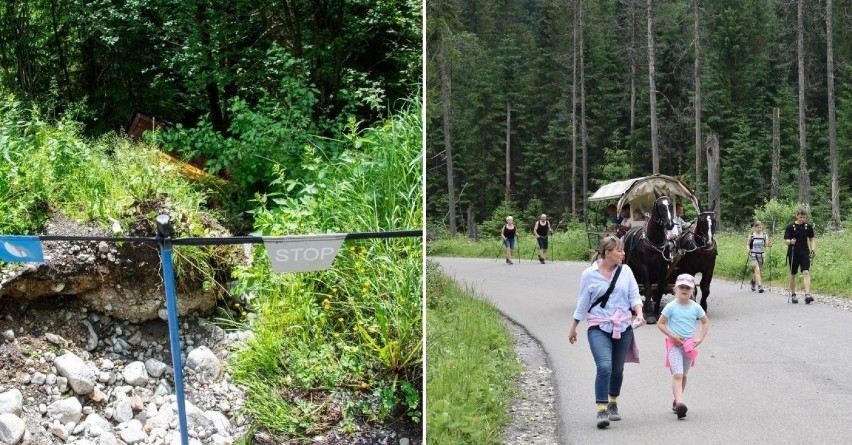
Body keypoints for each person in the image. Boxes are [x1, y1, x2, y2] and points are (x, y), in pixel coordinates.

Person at [569, 236, 645, 429]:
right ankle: (601, 410)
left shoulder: (626, 271)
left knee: (618, 369)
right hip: (598, 327)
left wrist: (639, 313)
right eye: (620, 250)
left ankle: (613, 402)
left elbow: (634, 294)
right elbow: (583, 303)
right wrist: (574, 327)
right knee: (604, 366)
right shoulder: (589, 274)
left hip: (623, 327)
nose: (624, 253)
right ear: (608, 252)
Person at [657, 273, 710, 419]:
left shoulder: (696, 307)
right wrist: (672, 336)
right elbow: (660, 323)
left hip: (688, 346)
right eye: (681, 287)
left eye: (688, 287)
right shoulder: (671, 306)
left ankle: (676, 401)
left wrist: (700, 338)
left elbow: (705, 322)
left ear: (692, 290)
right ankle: (680, 403)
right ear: (676, 289)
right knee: (678, 374)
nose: (684, 290)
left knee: (684, 375)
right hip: (674, 345)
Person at [783, 209, 816, 304]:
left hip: (805, 253)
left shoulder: (808, 226)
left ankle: (807, 295)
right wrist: (790, 242)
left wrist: (813, 249)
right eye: (801, 217)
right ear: (797, 216)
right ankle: (793, 294)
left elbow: (812, 239)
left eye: (804, 217)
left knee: (806, 272)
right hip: (793, 253)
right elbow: (786, 240)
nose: (802, 219)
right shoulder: (790, 226)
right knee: (793, 274)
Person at [747, 220, 770, 293]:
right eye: (758, 227)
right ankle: (760, 286)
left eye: (760, 227)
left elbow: (766, 244)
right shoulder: (752, 235)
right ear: (755, 227)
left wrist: (769, 244)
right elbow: (747, 244)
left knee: (759, 271)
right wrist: (748, 250)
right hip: (753, 254)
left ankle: (753, 281)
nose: (759, 229)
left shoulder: (764, 235)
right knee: (757, 270)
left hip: (761, 255)